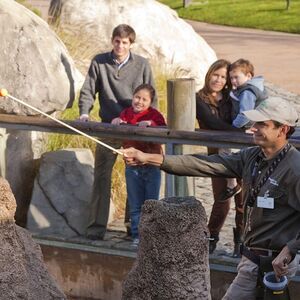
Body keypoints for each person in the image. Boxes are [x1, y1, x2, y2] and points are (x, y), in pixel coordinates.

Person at [121, 97, 300, 300]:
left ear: (283, 129)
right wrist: (148, 157)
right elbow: (203, 164)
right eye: (255, 123)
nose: (253, 129)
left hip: (273, 263)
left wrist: (290, 249)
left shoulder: (295, 168)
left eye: (262, 124)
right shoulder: (252, 156)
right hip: (251, 258)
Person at [78, 24, 156, 240]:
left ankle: (134, 227)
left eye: (124, 42)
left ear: (131, 44)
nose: (120, 46)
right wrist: (84, 113)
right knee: (101, 176)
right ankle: (96, 228)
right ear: (112, 41)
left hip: (134, 128)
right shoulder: (99, 62)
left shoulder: (142, 65)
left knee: (135, 175)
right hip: (108, 125)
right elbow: (87, 90)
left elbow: (151, 95)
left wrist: (147, 121)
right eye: (117, 41)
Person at [196, 59, 243, 256]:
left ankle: (241, 242)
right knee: (222, 200)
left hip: (240, 154)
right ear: (209, 74)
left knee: (244, 201)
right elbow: (212, 123)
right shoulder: (199, 98)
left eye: (223, 77)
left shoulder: (231, 98)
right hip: (218, 157)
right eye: (216, 74)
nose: (218, 79)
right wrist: (238, 132)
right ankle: (211, 237)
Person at [112, 84, 166, 246]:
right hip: (132, 165)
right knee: (135, 204)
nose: (139, 102)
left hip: (151, 164)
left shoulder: (154, 115)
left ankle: (150, 236)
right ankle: (137, 236)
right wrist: (116, 121)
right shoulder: (126, 114)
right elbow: (120, 127)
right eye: (137, 97)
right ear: (132, 97)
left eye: (144, 99)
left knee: (151, 203)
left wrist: (152, 126)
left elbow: (164, 131)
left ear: (150, 102)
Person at [229, 58, 268, 128]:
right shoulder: (256, 86)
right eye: (231, 78)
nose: (233, 81)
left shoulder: (247, 93)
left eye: (236, 77)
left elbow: (246, 114)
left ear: (248, 76)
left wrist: (234, 126)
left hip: (248, 127)